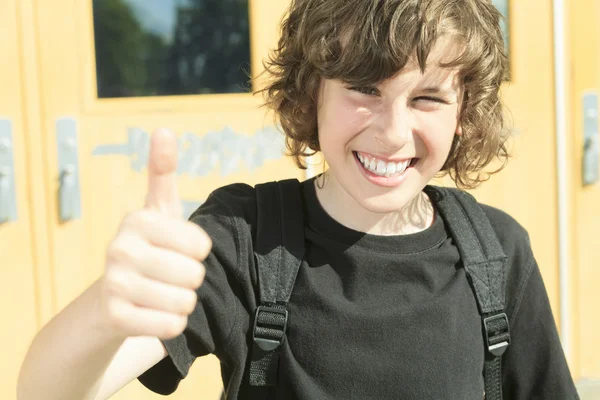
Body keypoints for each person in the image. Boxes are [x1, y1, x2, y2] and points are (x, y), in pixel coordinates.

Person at [17, 0, 580, 399]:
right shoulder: (242, 239)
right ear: (314, 93)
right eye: (364, 87)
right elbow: (45, 391)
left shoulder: (498, 252)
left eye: (428, 97)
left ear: (465, 115)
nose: (392, 130)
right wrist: (105, 310)